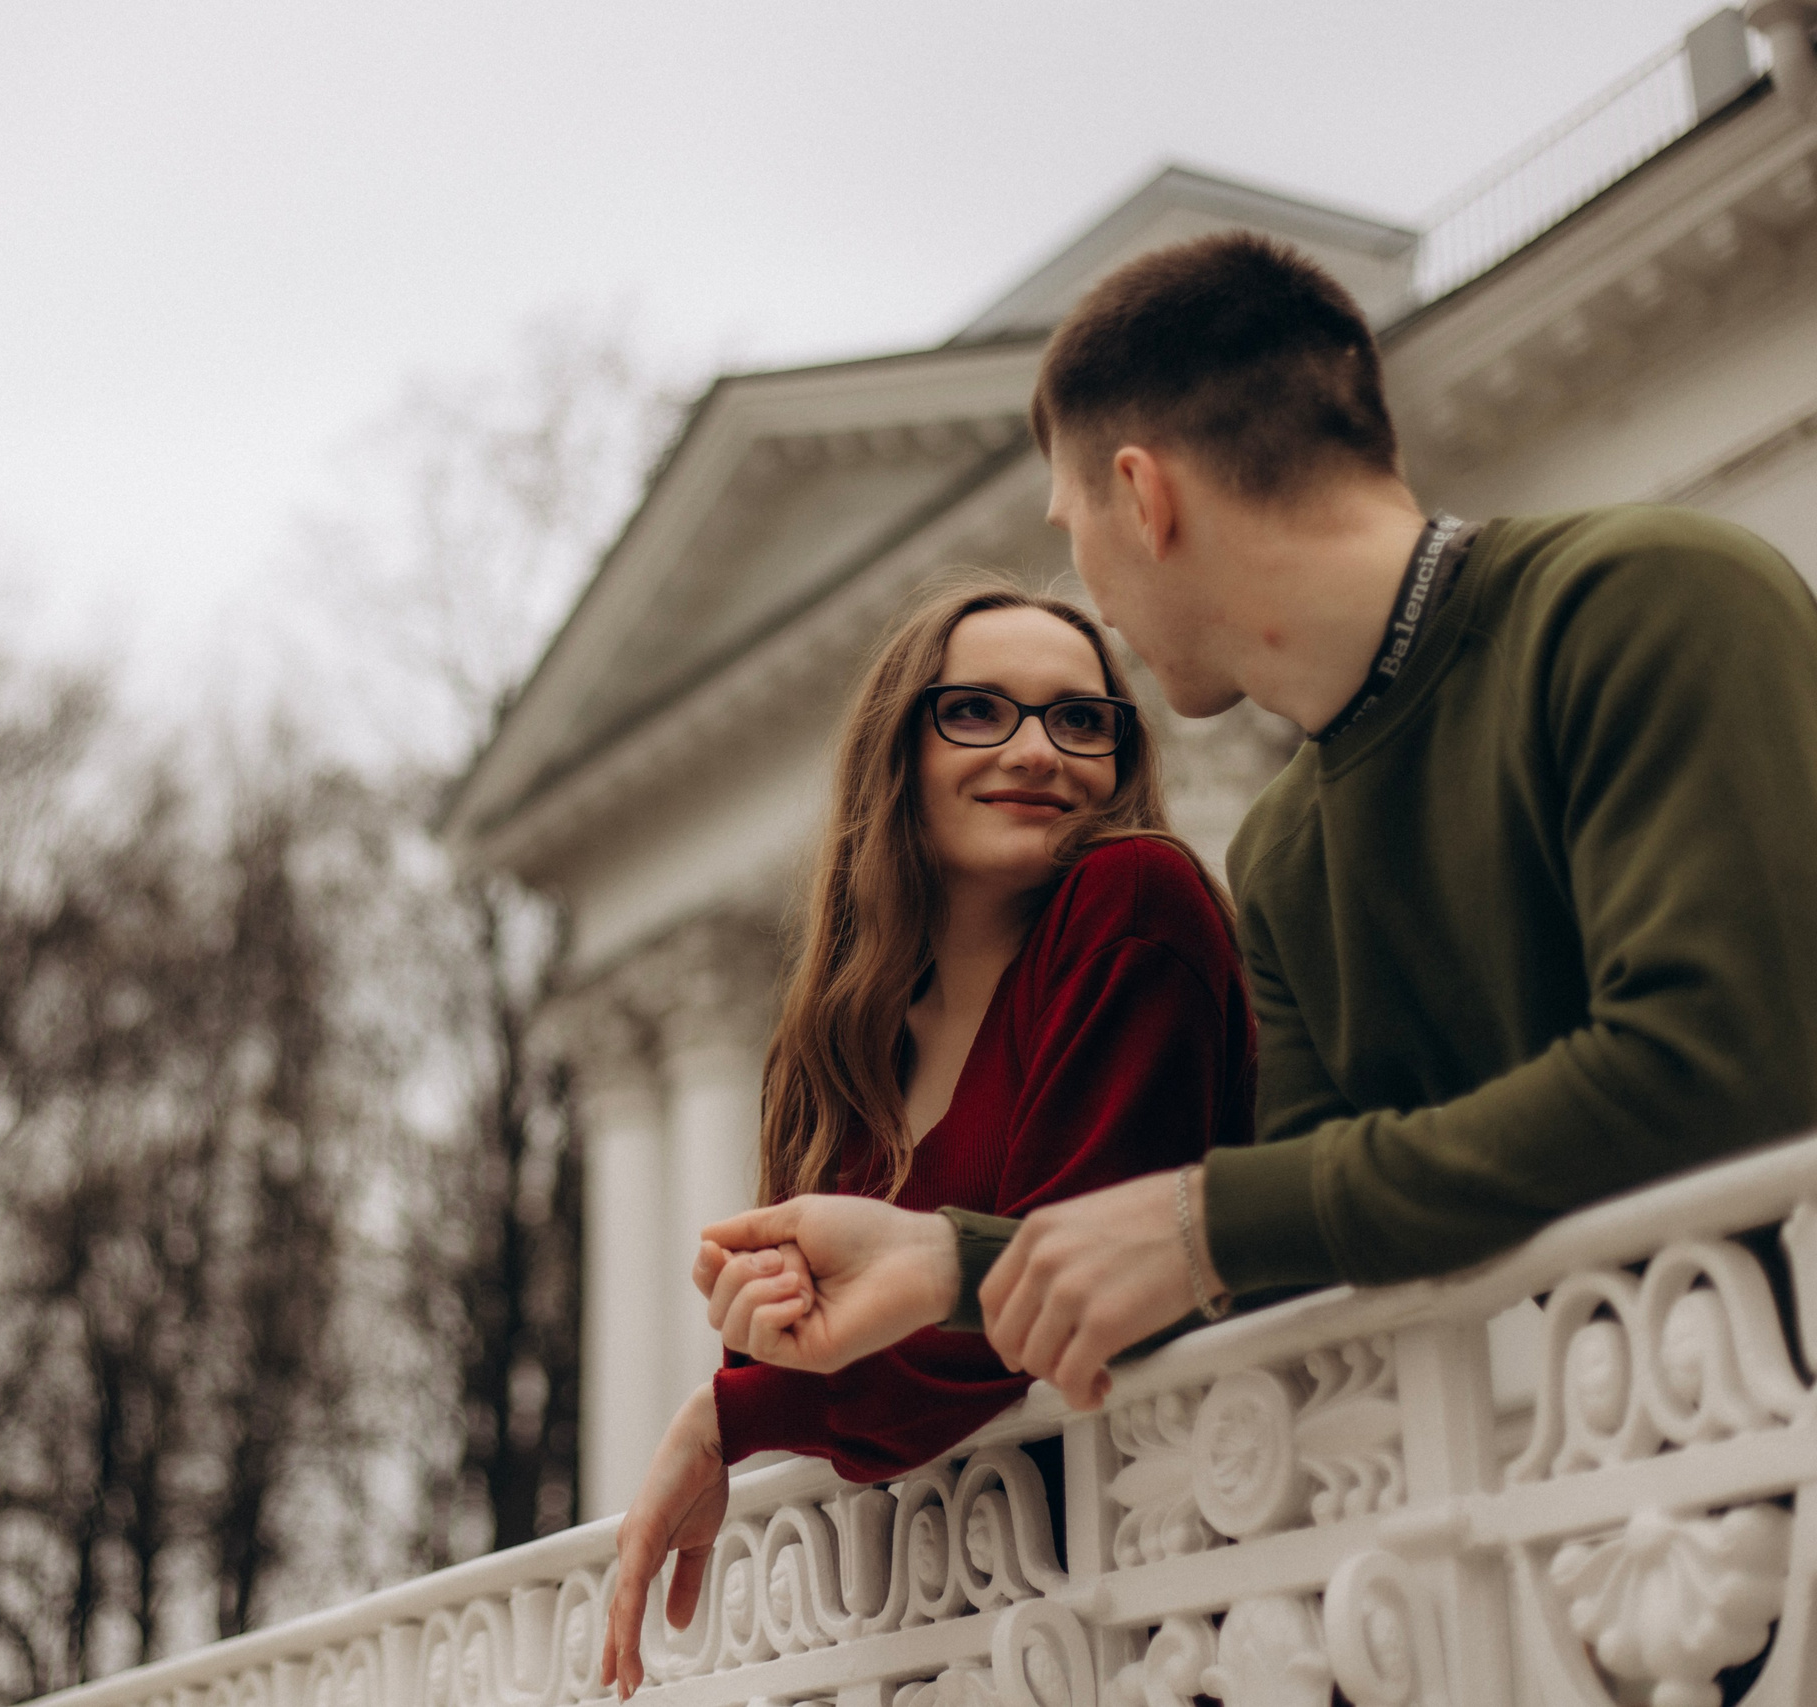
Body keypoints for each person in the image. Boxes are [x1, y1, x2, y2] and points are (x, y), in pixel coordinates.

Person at [697, 230, 1817, 1420]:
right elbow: (1287, 1254)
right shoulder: (1285, 851)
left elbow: (1720, 1065)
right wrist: (946, 1265)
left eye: (1071, 529)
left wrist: (1205, 1222)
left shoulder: (1644, 596)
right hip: (1660, 1471)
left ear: (1143, 498)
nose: (1092, 596)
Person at [596, 580, 1253, 1698]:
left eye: (1079, 718)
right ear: (897, 754)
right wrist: (755, 1350)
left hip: (1180, 1614)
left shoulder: (1136, 905)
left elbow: (1057, 1305)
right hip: (949, 1642)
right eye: (978, 711)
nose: (1037, 750)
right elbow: (818, 1367)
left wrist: (730, 1415)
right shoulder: (833, 1059)